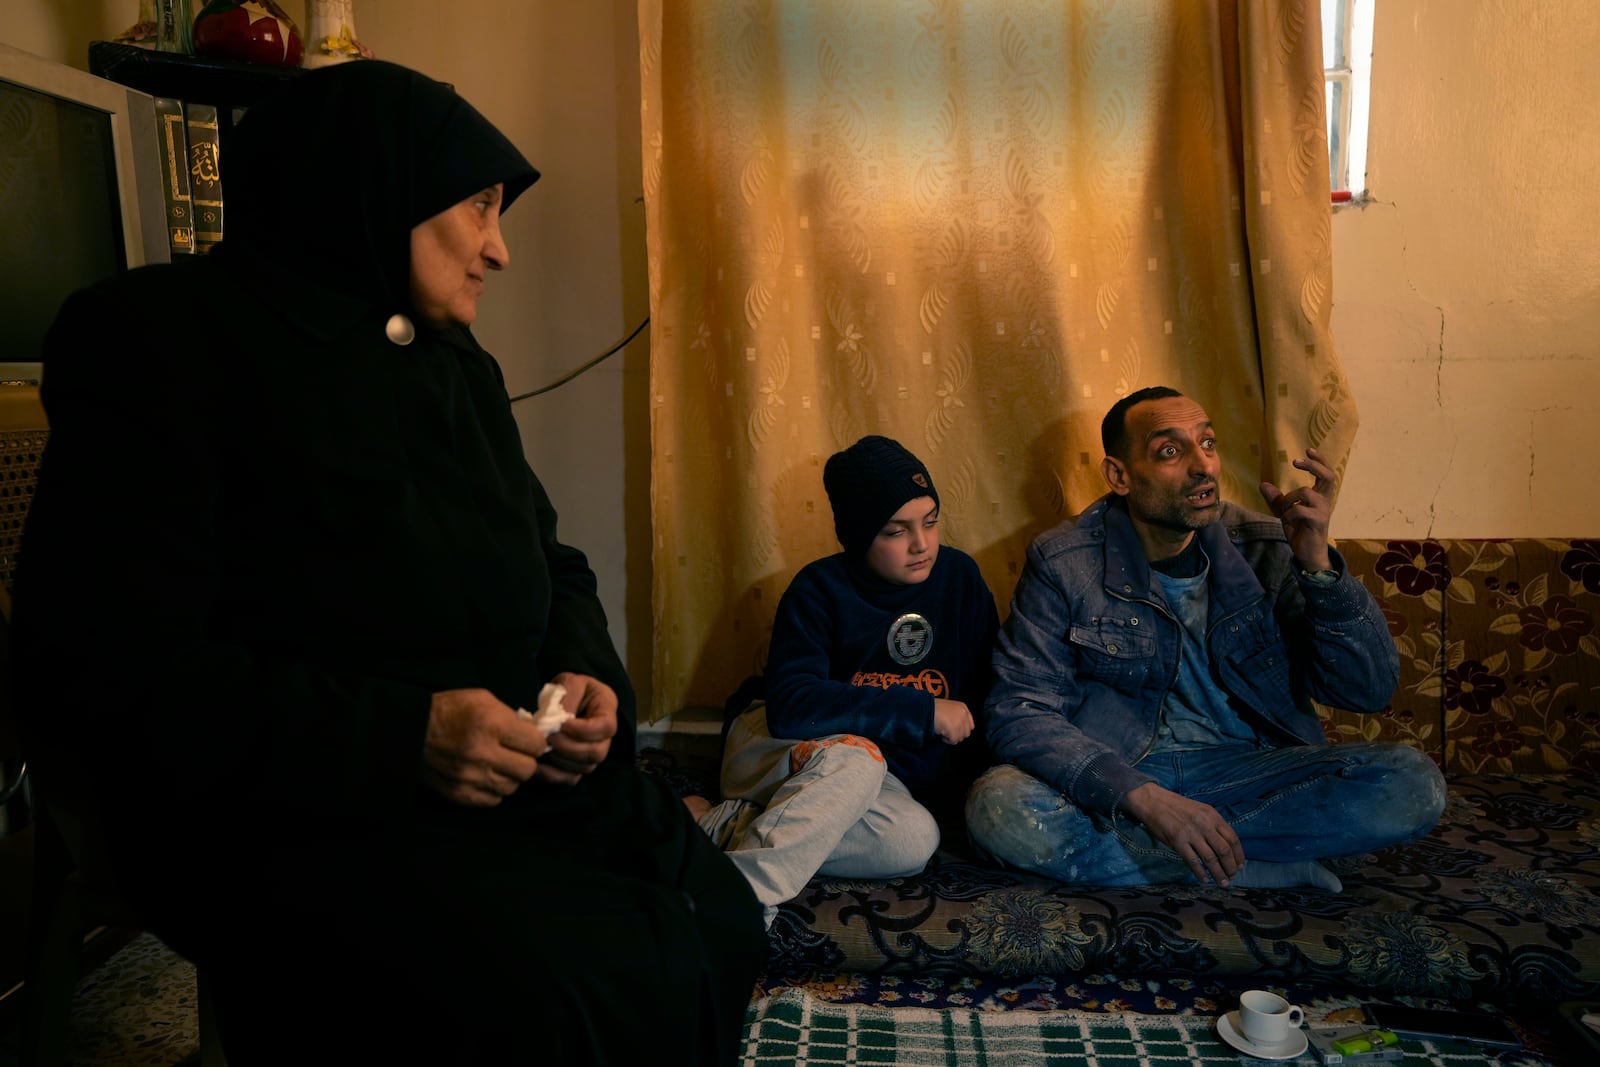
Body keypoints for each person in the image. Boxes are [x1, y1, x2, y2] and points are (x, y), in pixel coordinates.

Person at [10, 60, 765, 1065]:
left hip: (500, 770)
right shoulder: (160, 343)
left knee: (711, 909)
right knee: (559, 989)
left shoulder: (454, 363)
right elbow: (102, 668)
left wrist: (585, 681)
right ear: (368, 188)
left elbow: (553, 562)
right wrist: (403, 735)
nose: (498, 250)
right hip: (297, 801)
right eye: (479, 208)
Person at [965, 386, 1446, 892]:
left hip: (1249, 772)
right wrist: (1144, 799)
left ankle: (1169, 855)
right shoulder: (1064, 560)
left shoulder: (1270, 544)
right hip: (1125, 772)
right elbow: (1020, 708)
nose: (1203, 466)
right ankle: (1253, 867)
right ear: (1119, 476)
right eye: (1171, 451)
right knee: (997, 806)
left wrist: (1317, 566)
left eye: (1208, 443)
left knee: (1412, 783)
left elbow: (1363, 691)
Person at [695, 435, 999, 927]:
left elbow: (987, 692)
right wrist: (921, 712)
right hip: (775, 738)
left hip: (872, 777)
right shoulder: (818, 588)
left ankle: (726, 824)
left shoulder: (960, 580)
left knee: (913, 840)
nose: (921, 544)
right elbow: (792, 705)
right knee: (856, 756)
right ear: (858, 537)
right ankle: (735, 902)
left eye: (930, 521)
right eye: (896, 531)